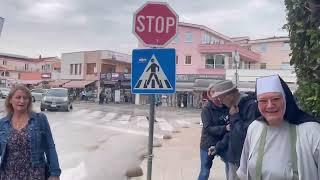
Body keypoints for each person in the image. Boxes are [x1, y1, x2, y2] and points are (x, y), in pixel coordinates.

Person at [237, 75, 320, 180]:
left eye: (276, 99)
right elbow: (244, 172)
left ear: (286, 99)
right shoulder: (254, 127)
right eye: (263, 101)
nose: (270, 105)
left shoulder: (312, 131)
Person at [0, 85, 61, 180]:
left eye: (25, 98)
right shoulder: (3, 123)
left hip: (34, 173)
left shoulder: (39, 119)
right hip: (8, 173)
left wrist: (55, 173)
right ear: (10, 100)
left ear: (29, 101)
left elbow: (50, 147)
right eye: (18, 97)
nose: (22, 101)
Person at [208, 82, 260, 180]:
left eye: (221, 97)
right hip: (234, 158)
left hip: (244, 161)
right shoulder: (234, 107)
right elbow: (232, 132)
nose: (220, 101)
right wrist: (218, 147)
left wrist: (235, 117)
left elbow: (246, 136)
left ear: (230, 95)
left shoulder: (251, 106)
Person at [198, 82, 230, 180]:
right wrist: (225, 128)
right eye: (213, 92)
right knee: (205, 171)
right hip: (208, 143)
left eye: (218, 91)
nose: (216, 94)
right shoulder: (206, 109)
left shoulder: (227, 107)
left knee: (231, 167)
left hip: (223, 143)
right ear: (209, 94)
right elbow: (208, 128)